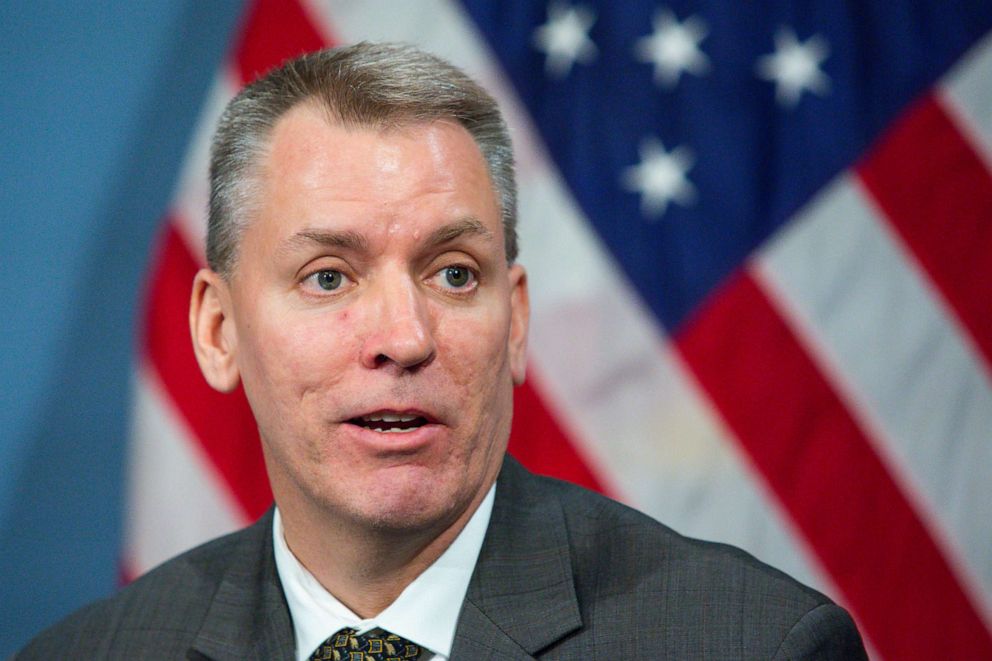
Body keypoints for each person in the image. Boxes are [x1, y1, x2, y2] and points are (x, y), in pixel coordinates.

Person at [16, 42, 867, 660]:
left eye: (455, 273)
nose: (405, 337)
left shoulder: (753, 643)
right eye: (328, 277)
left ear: (518, 320)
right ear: (217, 330)